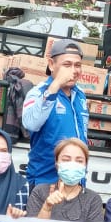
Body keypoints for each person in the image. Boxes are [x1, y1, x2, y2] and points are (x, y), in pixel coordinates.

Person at [21, 39, 90, 187]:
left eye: (78, 65)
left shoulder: (80, 95)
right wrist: (55, 86)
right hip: (45, 182)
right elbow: (30, 124)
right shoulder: (38, 92)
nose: (74, 70)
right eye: (67, 65)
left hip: (76, 182)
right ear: (51, 64)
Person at [26, 138, 105, 222]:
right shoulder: (40, 191)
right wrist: (46, 208)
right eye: (66, 160)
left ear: (85, 166)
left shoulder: (93, 199)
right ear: (56, 164)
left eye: (79, 161)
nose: (73, 165)